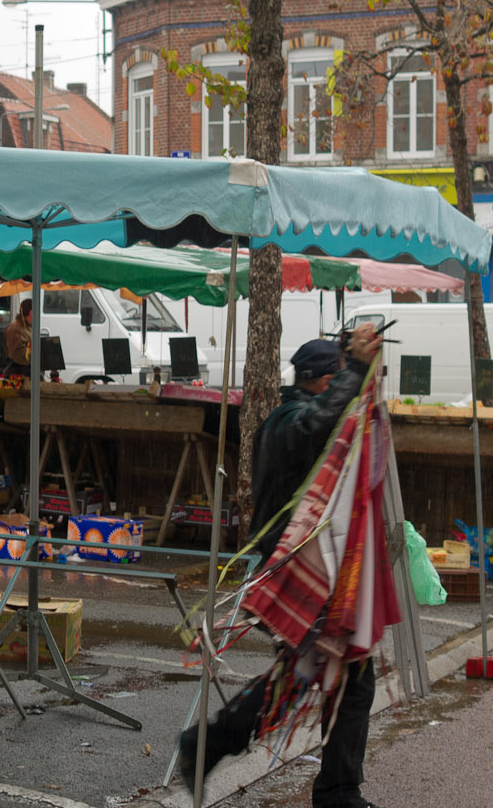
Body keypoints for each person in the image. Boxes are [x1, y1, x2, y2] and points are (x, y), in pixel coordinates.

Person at [183, 323, 388, 808]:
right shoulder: (290, 422)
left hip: (302, 570)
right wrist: (357, 369)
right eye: (336, 378)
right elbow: (316, 425)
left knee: (316, 677)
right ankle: (214, 745)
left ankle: (217, 746)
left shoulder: (293, 415)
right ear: (322, 380)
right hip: (299, 573)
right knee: (334, 678)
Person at [0, 302, 34, 378]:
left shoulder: (27, 327)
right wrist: (38, 355)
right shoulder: (15, 329)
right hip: (19, 376)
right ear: (31, 313)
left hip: (26, 374)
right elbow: (19, 356)